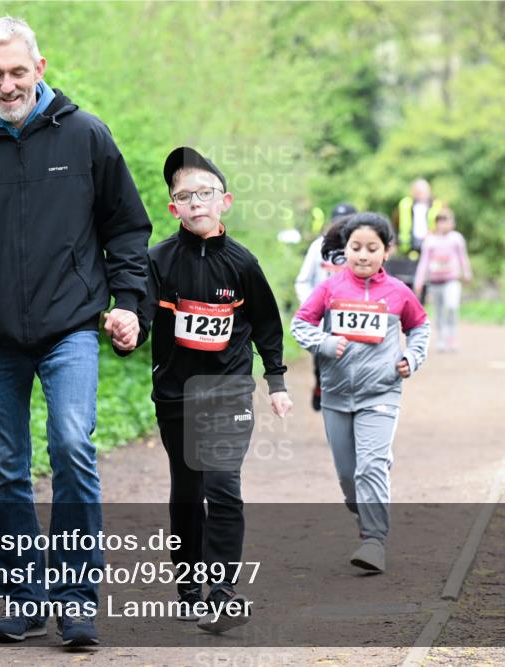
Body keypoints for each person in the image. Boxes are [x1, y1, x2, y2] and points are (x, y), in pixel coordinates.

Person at [0, 16, 151, 646]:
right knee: (5, 468)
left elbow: (126, 229)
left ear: (39, 69)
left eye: (19, 71)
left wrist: (129, 303)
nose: (8, 84)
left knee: (72, 445)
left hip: (70, 324)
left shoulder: (87, 136)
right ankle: (24, 595)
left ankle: (76, 598)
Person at [129, 147, 293, 633]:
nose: (196, 202)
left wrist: (277, 381)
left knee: (222, 486)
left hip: (228, 390)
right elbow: (138, 317)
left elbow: (266, 323)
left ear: (225, 201)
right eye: (185, 195)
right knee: (187, 489)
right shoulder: (156, 261)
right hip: (176, 395)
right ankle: (188, 587)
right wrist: (126, 333)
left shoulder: (243, 262)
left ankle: (222, 592)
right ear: (172, 208)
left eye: (206, 193)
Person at [291, 212, 429, 573]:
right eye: (356, 248)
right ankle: (365, 503)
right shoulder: (330, 288)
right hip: (336, 394)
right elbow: (300, 324)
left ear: (386, 251)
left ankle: (373, 540)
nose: (363, 255)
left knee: (370, 466)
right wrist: (323, 341)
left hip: (381, 394)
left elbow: (420, 327)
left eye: (372, 248)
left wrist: (411, 358)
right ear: (345, 250)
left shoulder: (398, 292)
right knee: (348, 475)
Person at [295, 202, 355, 411]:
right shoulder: (317, 246)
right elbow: (303, 281)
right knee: (323, 364)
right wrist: (312, 308)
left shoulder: (361, 248)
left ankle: (348, 406)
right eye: (338, 221)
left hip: (353, 320)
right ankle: (321, 388)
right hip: (323, 319)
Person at [413, 208, 472, 351]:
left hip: (451, 280)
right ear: (437, 223)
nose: (447, 224)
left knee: (452, 306)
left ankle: (452, 337)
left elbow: (462, 257)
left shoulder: (456, 238)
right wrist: (419, 280)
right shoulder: (430, 241)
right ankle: (441, 338)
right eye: (443, 220)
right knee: (438, 311)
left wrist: (467, 272)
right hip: (435, 282)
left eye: (449, 220)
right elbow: (424, 262)